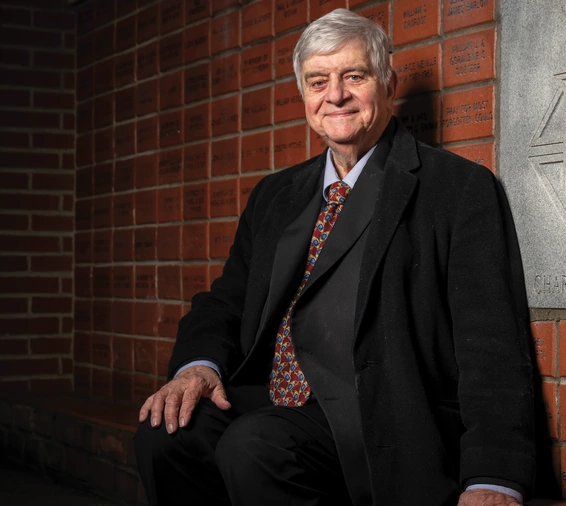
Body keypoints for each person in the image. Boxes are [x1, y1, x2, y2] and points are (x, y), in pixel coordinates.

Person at [134, 8, 535, 506]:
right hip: (279, 399)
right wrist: (197, 366)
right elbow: (226, 301)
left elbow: (492, 340)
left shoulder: (457, 188)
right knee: (166, 435)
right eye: (318, 80)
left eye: (354, 76)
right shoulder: (276, 195)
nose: (336, 94)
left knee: (254, 446)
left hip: (381, 413)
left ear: (386, 83)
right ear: (304, 95)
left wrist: (494, 475)